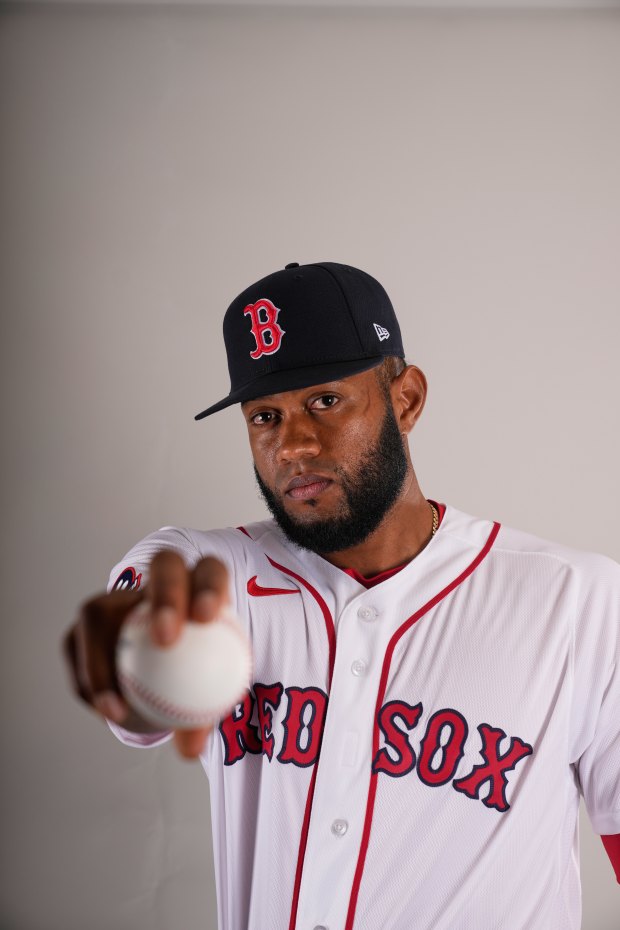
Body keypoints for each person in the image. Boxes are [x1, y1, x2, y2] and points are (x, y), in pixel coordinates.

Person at [64, 261, 619, 930]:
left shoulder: (579, 601)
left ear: (406, 399)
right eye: (265, 415)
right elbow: (147, 634)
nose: (292, 445)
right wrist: (137, 643)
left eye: (325, 401)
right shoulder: (216, 574)